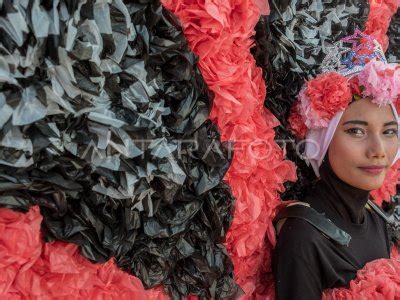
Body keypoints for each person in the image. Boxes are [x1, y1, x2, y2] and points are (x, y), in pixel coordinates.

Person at [272, 31, 400, 300]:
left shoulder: (376, 217)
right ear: (323, 140)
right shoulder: (304, 236)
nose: (378, 151)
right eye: (356, 131)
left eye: (389, 132)